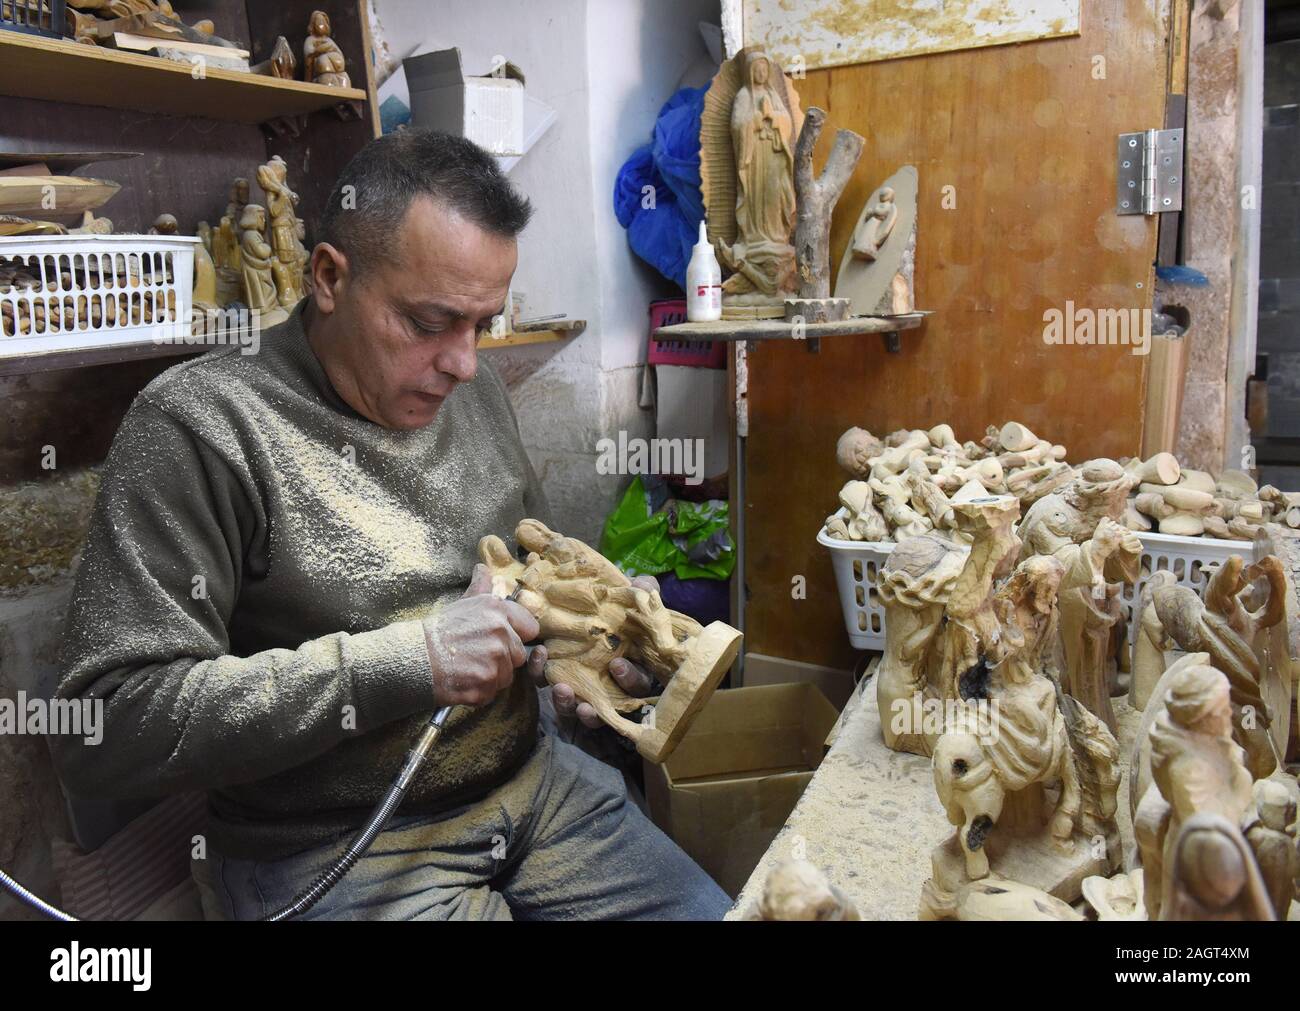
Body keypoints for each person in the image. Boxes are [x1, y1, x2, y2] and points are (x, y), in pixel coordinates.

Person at [51, 129, 731, 921]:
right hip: (336, 843)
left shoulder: (470, 389)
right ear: (330, 277)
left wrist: (597, 644)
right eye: (429, 321)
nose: (465, 363)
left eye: (482, 324)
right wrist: (410, 661)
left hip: (533, 783)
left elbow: (530, 576)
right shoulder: (202, 425)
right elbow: (103, 725)